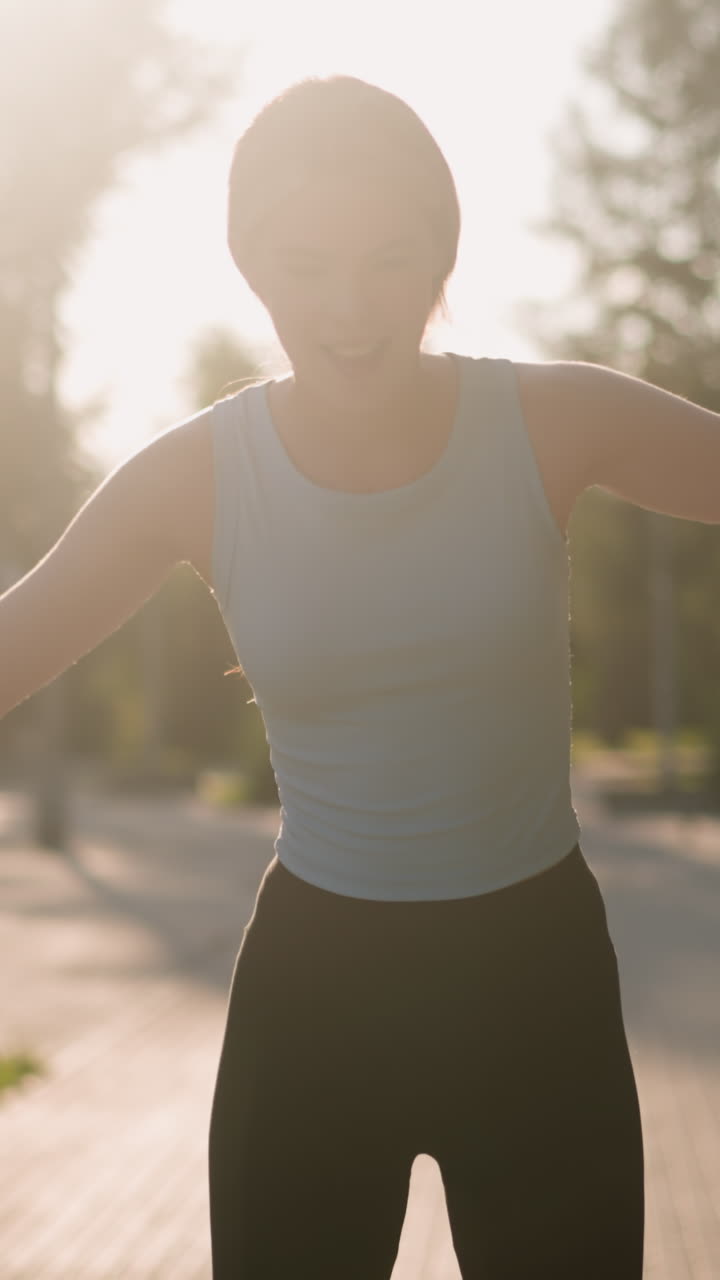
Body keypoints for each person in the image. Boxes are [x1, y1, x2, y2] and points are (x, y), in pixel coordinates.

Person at [3, 73, 720, 1279]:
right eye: (306, 262)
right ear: (252, 267)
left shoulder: (547, 420)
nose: (348, 305)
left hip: (535, 984)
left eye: (390, 257)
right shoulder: (197, 474)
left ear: (443, 254)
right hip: (316, 1002)